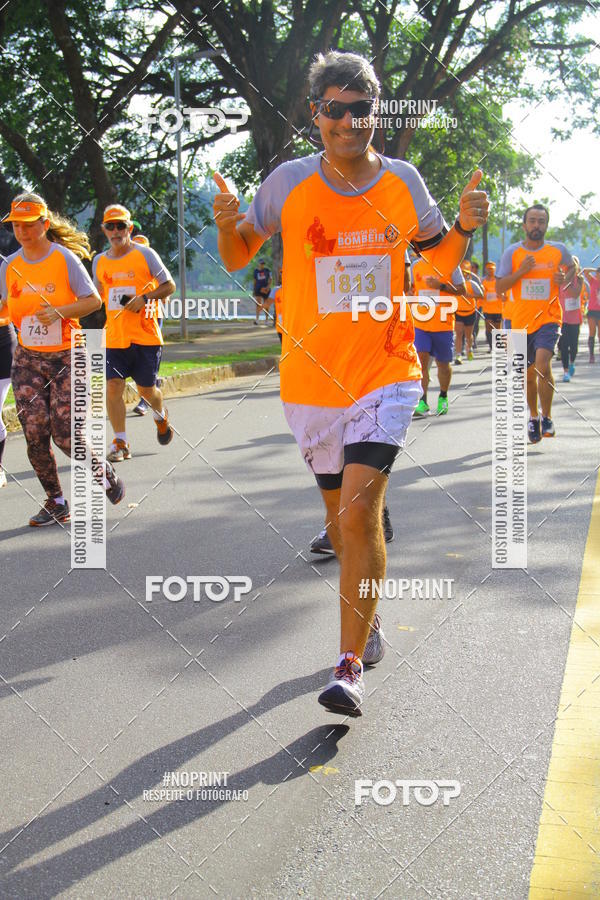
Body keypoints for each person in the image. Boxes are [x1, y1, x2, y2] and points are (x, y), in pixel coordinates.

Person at [212, 49, 489, 715]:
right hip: (310, 380)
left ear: (376, 113)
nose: (348, 121)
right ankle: (367, 620)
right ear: (317, 115)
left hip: (386, 372)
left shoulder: (401, 181)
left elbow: (440, 258)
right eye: (335, 109)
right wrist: (226, 225)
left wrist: (465, 227)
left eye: (361, 109)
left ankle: (345, 669)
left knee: (362, 511)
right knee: (340, 525)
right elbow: (237, 256)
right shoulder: (286, 183)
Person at [0, 193, 125, 525]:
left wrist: (60, 312)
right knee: (34, 432)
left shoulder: (63, 259)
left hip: (69, 355)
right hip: (27, 358)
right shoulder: (9, 265)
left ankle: (101, 469)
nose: (22, 231)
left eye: (29, 225)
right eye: (16, 225)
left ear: (43, 224)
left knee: (66, 436)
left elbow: (93, 301)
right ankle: (55, 501)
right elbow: (5, 308)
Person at [93, 204, 176, 461]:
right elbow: (95, 297)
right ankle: (120, 442)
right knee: (113, 387)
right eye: (111, 226)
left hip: (145, 336)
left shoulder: (145, 254)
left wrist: (144, 298)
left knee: (146, 392)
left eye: (121, 226)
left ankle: (160, 417)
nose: (116, 231)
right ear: (104, 229)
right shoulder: (99, 261)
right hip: (115, 337)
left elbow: (169, 285)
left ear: (129, 228)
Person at [496, 204, 573, 443]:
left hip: (549, 318)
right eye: (532, 220)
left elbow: (572, 267)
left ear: (546, 225)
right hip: (519, 321)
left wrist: (564, 278)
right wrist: (521, 271)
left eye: (541, 221)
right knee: (527, 376)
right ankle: (533, 416)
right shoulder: (513, 253)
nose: (536, 225)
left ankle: (547, 416)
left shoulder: (557, 251)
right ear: (524, 225)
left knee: (542, 363)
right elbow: (500, 287)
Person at [411, 257, 464, 415]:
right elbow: (412, 288)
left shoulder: (451, 264)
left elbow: (462, 290)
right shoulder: (416, 265)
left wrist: (441, 286)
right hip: (421, 323)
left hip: (443, 323)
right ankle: (423, 400)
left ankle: (443, 396)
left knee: (443, 365)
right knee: (421, 362)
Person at [559, 256, 584, 382]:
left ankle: (572, 362)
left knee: (574, 345)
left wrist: (565, 282)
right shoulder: (559, 280)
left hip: (574, 318)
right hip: (562, 318)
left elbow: (575, 293)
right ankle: (566, 371)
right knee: (564, 346)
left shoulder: (579, 279)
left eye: (573, 267)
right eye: (569, 267)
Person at [453, 259, 483, 363]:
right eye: (462, 272)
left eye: (466, 273)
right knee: (459, 333)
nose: (464, 275)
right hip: (458, 312)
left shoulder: (472, 284)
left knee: (468, 335)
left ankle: (469, 349)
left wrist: (470, 296)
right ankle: (458, 355)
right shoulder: (456, 284)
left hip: (470, 312)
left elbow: (481, 295)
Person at [481, 261, 504, 351]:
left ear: (495, 270)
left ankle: (497, 344)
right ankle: (491, 346)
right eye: (488, 269)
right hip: (487, 309)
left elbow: (503, 292)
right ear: (486, 270)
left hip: (498, 309)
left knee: (497, 329)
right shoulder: (483, 281)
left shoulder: (498, 281)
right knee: (489, 327)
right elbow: (480, 293)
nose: (490, 271)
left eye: (492, 269)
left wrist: (500, 295)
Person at [583, 265, 600, 363]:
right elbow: (585, 271)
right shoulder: (593, 281)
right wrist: (595, 269)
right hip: (592, 310)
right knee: (592, 332)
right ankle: (591, 355)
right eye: (598, 273)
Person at [252, 258, 272, 324]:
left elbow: (270, 279)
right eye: (261, 263)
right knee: (258, 304)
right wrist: (254, 290)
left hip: (266, 289)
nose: (262, 265)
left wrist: (268, 287)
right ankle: (257, 319)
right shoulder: (256, 271)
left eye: (263, 264)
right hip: (258, 289)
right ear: (258, 264)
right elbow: (254, 281)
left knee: (266, 305)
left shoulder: (267, 270)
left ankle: (266, 320)